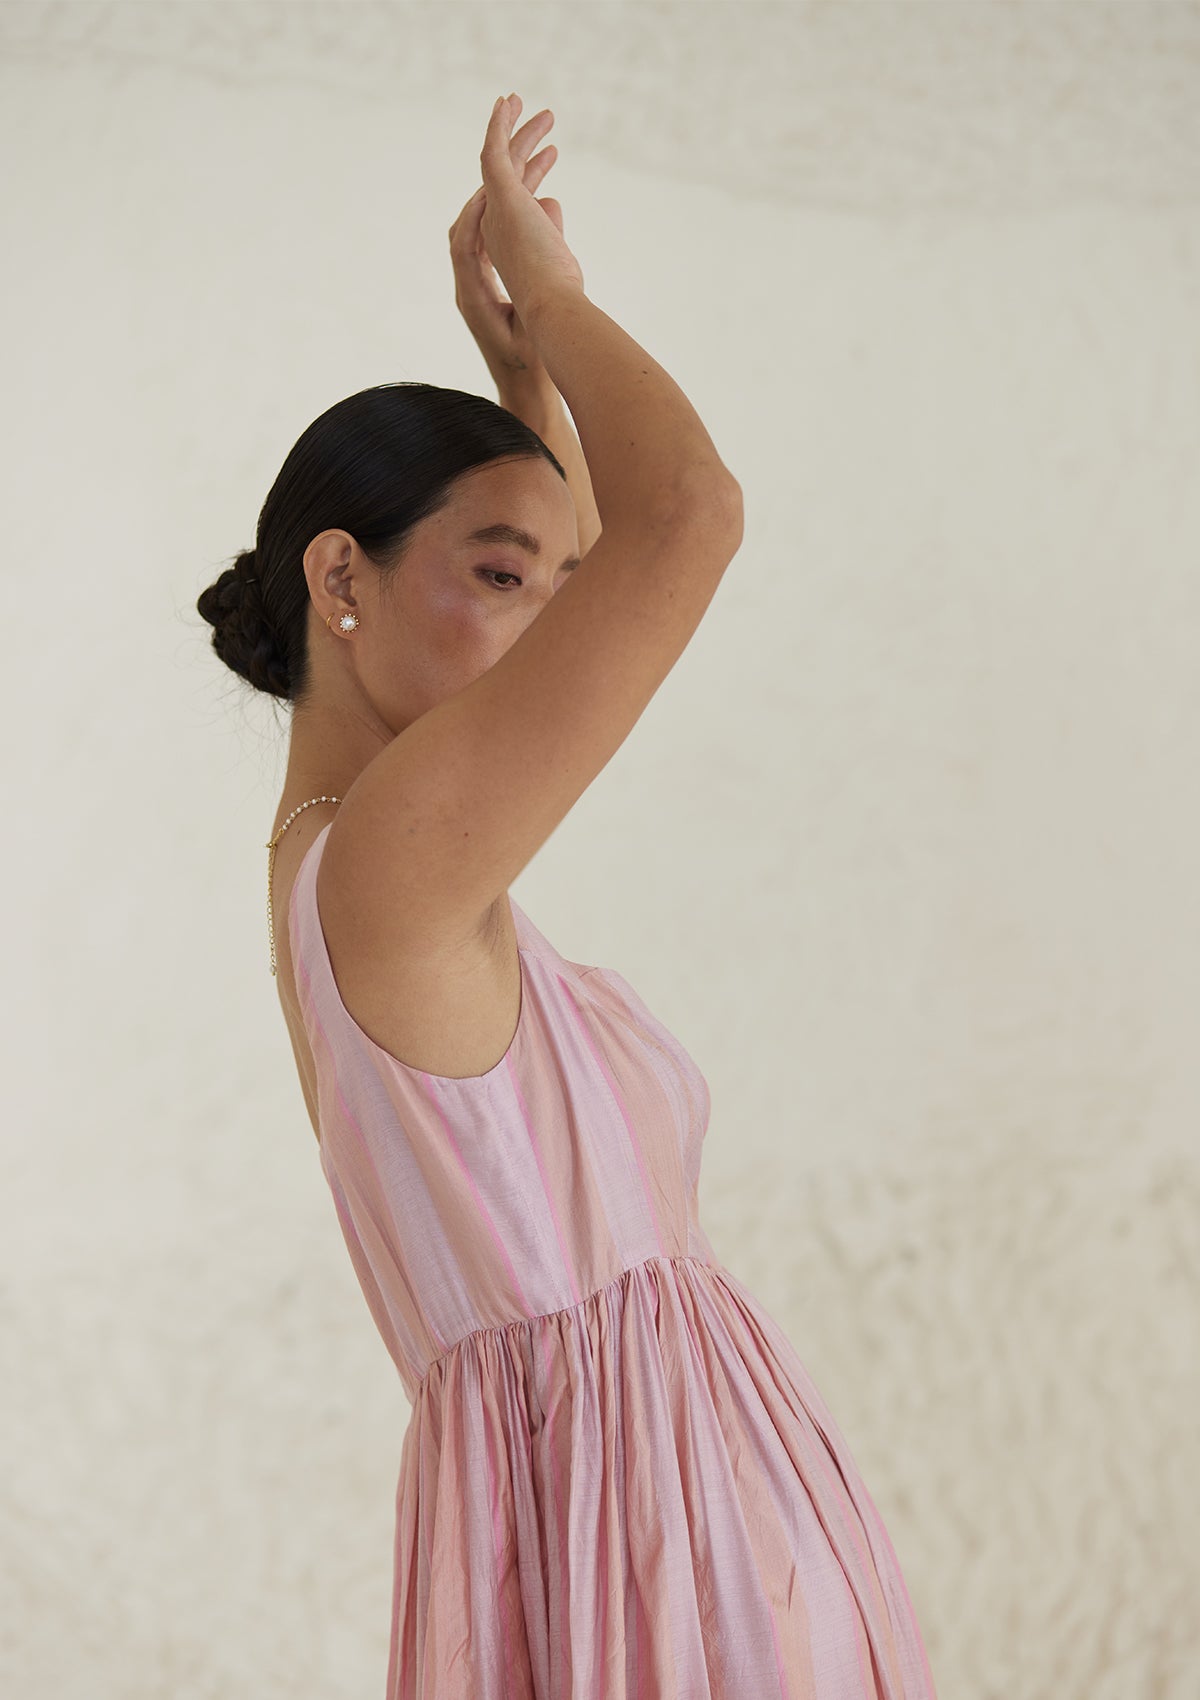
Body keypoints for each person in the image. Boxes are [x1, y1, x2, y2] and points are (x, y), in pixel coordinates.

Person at [197, 92, 938, 1700]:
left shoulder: (352, 857)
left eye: (548, 581)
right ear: (339, 581)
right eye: (497, 575)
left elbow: (611, 555)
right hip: (668, 1567)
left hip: (642, 1540)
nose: (554, 624)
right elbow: (692, 517)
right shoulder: (388, 862)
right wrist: (559, 299)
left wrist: (521, 385)